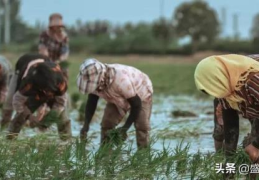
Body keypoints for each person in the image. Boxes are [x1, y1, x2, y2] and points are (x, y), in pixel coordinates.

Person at [194, 54, 259, 164]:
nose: (216, 95)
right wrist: (229, 161)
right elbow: (231, 125)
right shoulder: (225, 88)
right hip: (247, 97)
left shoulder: (252, 80)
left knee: (253, 150)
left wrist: (256, 144)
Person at [77, 58, 153, 148]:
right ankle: (105, 151)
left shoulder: (122, 81)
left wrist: (125, 128)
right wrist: (86, 125)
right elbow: (92, 102)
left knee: (142, 125)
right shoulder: (96, 81)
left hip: (141, 93)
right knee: (107, 123)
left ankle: (143, 154)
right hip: (115, 96)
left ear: (101, 78)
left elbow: (136, 104)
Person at [1, 53, 71, 140]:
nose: (46, 93)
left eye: (48, 90)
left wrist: (50, 118)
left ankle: (66, 141)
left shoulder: (60, 82)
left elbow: (61, 102)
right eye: (43, 90)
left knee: (62, 116)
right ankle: (10, 139)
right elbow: (17, 102)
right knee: (20, 116)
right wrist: (30, 117)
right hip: (23, 65)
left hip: (49, 75)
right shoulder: (28, 83)